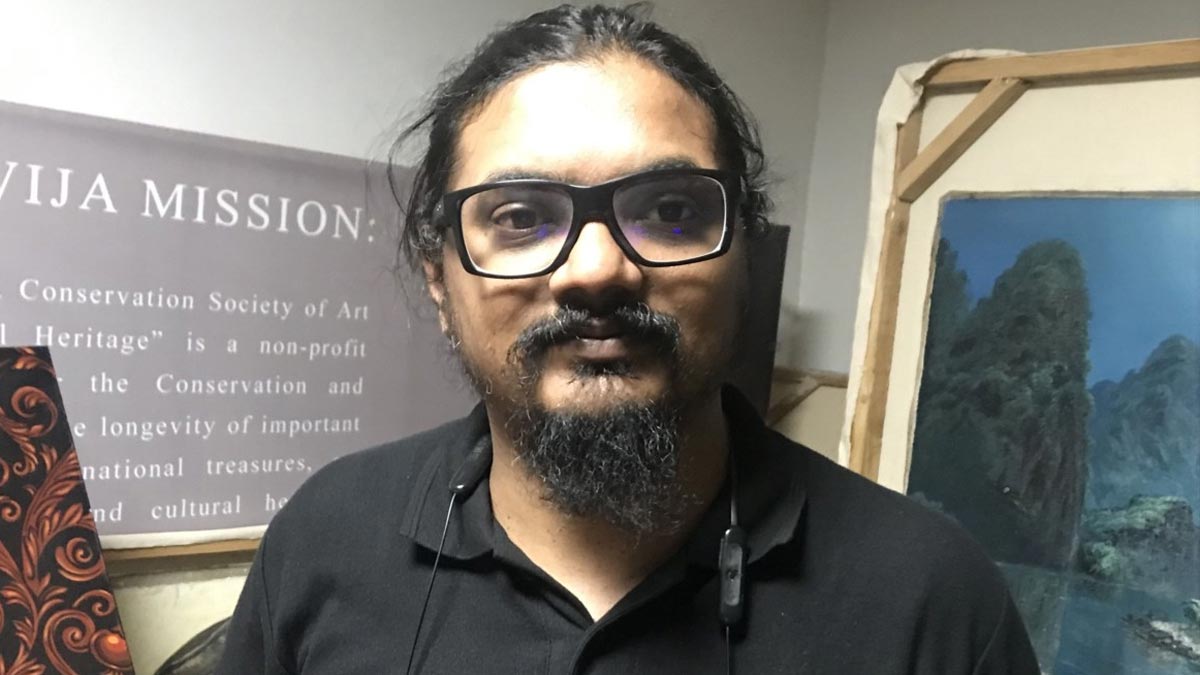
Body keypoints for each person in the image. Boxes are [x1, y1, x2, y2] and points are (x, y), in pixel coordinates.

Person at [216, 4, 1040, 674]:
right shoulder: (327, 535)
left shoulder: (931, 598)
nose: (597, 270)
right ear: (441, 281)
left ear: (744, 256)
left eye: (671, 211)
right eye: (520, 217)